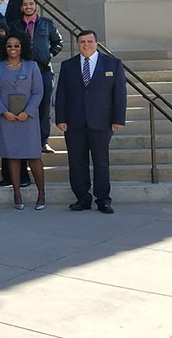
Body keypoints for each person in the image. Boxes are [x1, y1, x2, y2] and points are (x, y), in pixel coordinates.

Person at [56, 30, 126, 214]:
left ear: (96, 43)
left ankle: (103, 200)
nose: (85, 45)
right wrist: (60, 118)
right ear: (78, 44)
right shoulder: (68, 65)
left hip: (101, 122)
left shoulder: (113, 64)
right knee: (77, 162)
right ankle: (82, 199)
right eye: (82, 42)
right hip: (74, 122)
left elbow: (119, 94)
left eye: (89, 41)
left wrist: (118, 118)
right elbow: (61, 94)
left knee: (101, 162)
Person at [0, 31, 46, 210]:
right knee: (12, 156)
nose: (13, 49)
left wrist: (27, 112)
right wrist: (3, 111)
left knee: (34, 156)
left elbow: (38, 92)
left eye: (17, 46)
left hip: (27, 118)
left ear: (23, 48)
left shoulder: (32, 66)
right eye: (9, 45)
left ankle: (41, 194)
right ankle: (17, 193)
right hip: (7, 118)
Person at [10, 0, 63, 153]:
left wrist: (49, 55)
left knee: (44, 106)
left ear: (36, 6)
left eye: (31, 4)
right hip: (22, 70)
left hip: (44, 70)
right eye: (25, 5)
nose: (28, 7)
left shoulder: (47, 24)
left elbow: (58, 42)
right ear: (21, 8)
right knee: (23, 105)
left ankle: (43, 141)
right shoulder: (15, 26)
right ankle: (24, 139)